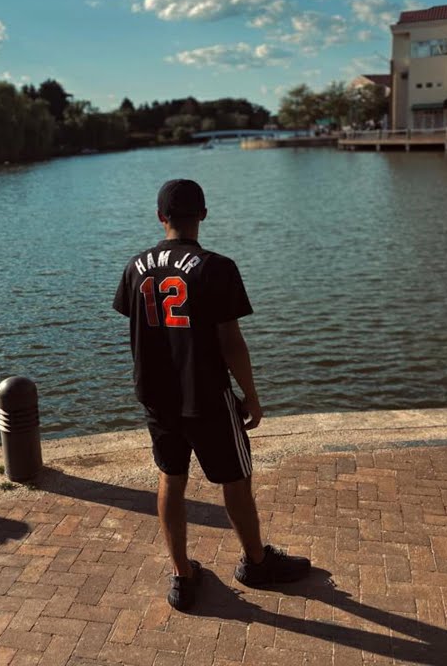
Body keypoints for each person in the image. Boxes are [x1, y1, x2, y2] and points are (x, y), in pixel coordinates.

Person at [112, 178, 311, 612]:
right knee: (236, 480)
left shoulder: (135, 266)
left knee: (171, 478)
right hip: (205, 395)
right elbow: (230, 341)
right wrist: (251, 395)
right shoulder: (215, 266)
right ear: (203, 214)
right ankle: (256, 562)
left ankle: (182, 574)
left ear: (160, 217)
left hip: (157, 397)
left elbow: (139, 326)